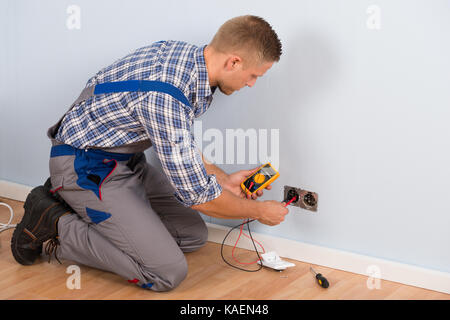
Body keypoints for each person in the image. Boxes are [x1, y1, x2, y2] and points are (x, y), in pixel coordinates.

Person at [11, 15, 288, 291]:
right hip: (84, 167)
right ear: (234, 62)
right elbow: (198, 198)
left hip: (125, 160)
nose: (252, 84)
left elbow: (181, 145)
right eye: (253, 76)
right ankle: (53, 220)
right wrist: (259, 211)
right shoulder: (166, 95)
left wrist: (224, 180)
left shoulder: (186, 59)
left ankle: (96, 216)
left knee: (192, 235)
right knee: (165, 272)